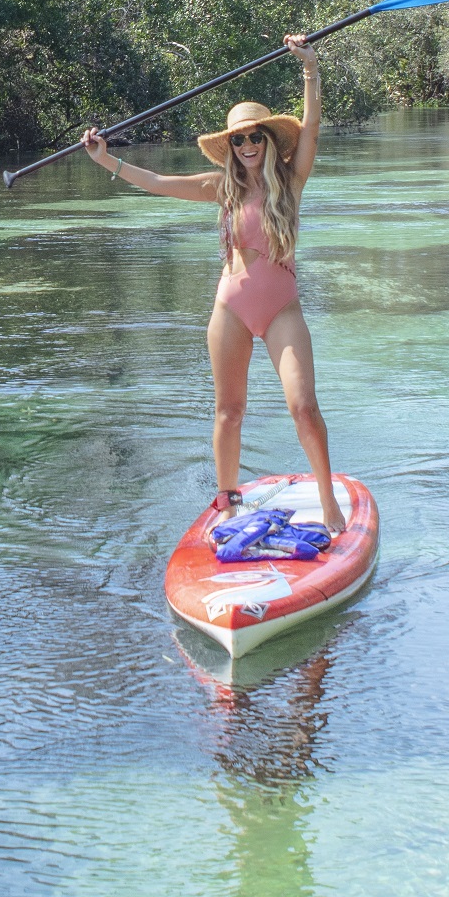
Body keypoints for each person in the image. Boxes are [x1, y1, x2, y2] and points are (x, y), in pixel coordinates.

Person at [78, 33, 340, 536]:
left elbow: (310, 128)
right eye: (238, 140)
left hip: (283, 310)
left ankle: (329, 503)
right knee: (229, 411)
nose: (245, 146)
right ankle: (228, 500)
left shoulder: (292, 178)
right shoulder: (219, 187)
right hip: (232, 309)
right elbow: (155, 182)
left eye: (254, 137)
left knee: (304, 407)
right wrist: (105, 159)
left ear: (267, 139)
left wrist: (309, 68)